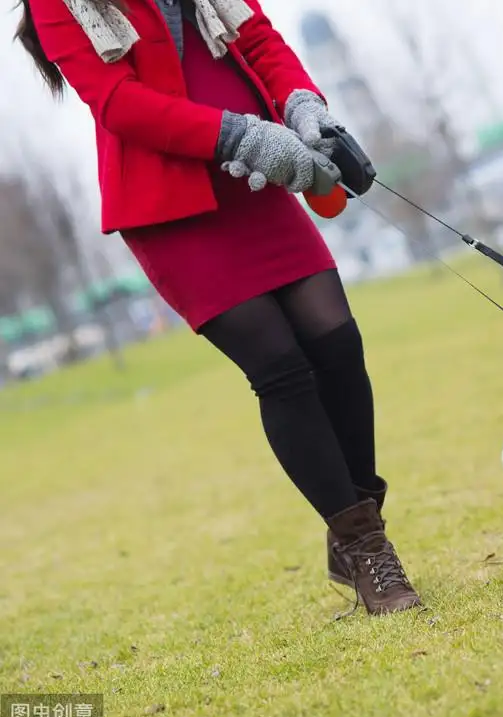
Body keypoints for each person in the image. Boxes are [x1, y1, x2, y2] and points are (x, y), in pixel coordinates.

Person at [17, 0, 422, 615]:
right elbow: (117, 102)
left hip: (255, 175)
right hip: (171, 197)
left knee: (337, 342)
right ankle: (367, 547)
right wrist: (239, 131)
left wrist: (303, 107)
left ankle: (354, 523)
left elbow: (257, 38)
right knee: (281, 368)